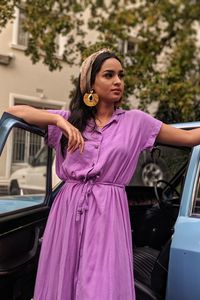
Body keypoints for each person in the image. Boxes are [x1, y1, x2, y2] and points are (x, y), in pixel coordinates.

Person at [6, 48, 200, 300]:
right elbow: (14, 113)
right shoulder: (68, 121)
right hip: (67, 210)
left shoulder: (136, 122)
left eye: (121, 75)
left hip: (108, 213)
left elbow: (189, 138)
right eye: (109, 75)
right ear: (90, 83)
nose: (118, 81)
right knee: (63, 278)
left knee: (100, 285)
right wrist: (60, 123)